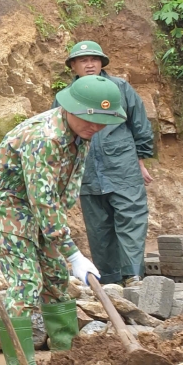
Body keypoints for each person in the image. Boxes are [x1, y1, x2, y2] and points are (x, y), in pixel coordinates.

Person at [0, 74, 126, 365]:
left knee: (56, 278)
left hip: (38, 207)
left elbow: (66, 191)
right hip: (6, 205)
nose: (94, 126)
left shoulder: (80, 135)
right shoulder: (44, 138)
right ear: (71, 107)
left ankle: (66, 356)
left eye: (101, 121)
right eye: (88, 118)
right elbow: (42, 199)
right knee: (27, 282)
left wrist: (59, 244)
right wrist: (72, 253)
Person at [61, 41, 154, 287]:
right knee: (98, 228)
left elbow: (140, 126)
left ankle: (133, 274)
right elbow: (60, 138)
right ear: (73, 66)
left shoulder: (120, 88)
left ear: (102, 63)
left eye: (94, 59)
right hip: (86, 171)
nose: (89, 64)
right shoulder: (67, 97)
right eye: (83, 60)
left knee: (131, 219)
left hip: (123, 167)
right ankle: (111, 280)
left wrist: (140, 161)